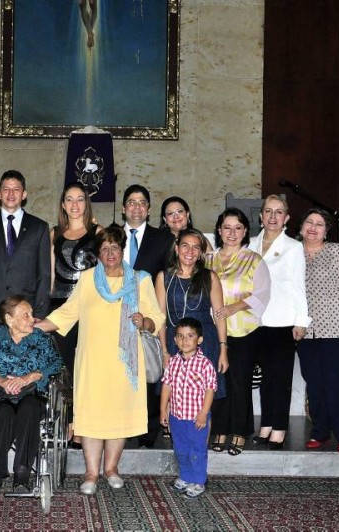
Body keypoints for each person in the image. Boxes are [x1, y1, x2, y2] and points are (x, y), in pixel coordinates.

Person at [37, 225, 165, 495]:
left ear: (122, 250)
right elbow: (67, 313)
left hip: (125, 363)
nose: (110, 253)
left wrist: (145, 321)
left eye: (115, 248)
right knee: (93, 415)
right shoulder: (87, 279)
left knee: (118, 414)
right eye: (104, 248)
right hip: (93, 360)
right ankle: (92, 472)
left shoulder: (140, 280)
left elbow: (157, 317)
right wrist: (36, 326)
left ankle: (111, 469)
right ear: (98, 252)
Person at [0, 296, 61, 498]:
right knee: (3, 413)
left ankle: (22, 475)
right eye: (25, 315)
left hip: (32, 394)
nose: (32, 319)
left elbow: (56, 364)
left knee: (29, 409)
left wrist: (31, 376)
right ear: (9, 319)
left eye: (31, 314)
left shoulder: (40, 338)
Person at [205, 208, 270, 456]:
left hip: (244, 331)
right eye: (227, 227)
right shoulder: (207, 260)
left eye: (238, 228)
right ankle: (219, 429)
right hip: (213, 332)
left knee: (239, 382)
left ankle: (240, 432)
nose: (232, 233)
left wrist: (233, 307)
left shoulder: (254, 260)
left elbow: (262, 294)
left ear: (245, 232)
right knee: (218, 382)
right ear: (219, 231)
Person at [296, 208, 339, 455]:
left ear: (326, 231)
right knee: (314, 383)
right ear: (300, 227)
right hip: (305, 331)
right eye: (309, 222)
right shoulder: (293, 253)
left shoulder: (337, 251)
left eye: (319, 224)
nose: (313, 227)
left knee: (335, 383)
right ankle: (320, 431)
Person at [248, 195, 310, 450]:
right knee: (264, 379)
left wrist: (301, 321)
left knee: (280, 379)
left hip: (283, 322)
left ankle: (279, 429)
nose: (273, 217)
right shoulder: (249, 244)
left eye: (279, 212)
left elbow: (298, 286)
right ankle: (265, 426)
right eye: (268, 211)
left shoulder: (294, 248)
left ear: (286, 218)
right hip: (254, 321)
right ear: (261, 216)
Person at [121, 184, 174, 448]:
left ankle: (147, 430)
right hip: (114, 316)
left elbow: (166, 278)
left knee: (147, 371)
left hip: (148, 316)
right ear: (123, 208)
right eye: (131, 202)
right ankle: (121, 424)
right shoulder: (110, 237)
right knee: (120, 374)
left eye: (142, 202)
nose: (137, 207)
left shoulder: (163, 240)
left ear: (149, 209)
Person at [155, 229, 227, 406]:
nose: (190, 251)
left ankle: (201, 434)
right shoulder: (164, 277)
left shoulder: (209, 277)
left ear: (201, 252)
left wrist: (223, 349)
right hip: (174, 341)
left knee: (203, 399)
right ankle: (177, 432)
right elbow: (160, 318)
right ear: (177, 248)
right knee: (174, 395)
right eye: (185, 246)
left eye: (196, 247)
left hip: (205, 342)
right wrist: (164, 351)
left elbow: (219, 316)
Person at [0, 170, 51, 326]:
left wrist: (40, 312)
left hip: (26, 309)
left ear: (24, 194)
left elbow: (44, 273)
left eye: (16, 189)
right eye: (6, 189)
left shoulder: (39, 228)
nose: (11, 193)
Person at [160, 318, 217, 498]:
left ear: (199, 340)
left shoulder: (205, 364)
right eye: (180, 336)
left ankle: (198, 480)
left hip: (196, 418)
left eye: (190, 336)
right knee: (181, 448)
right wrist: (164, 409)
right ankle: (185, 476)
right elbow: (167, 386)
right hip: (177, 416)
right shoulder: (173, 363)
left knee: (197, 449)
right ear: (175, 340)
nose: (185, 341)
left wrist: (204, 413)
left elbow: (210, 390)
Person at [50, 182, 102, 374]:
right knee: (66, 368)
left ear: (86, 203)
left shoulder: (98, 233)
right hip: (60, 308)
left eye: (80, 199)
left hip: (90, 307)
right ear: (63, 204)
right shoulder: (54, 234)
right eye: (69, 199)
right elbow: (51, 277)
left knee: (89, 366)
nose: (75, 204)